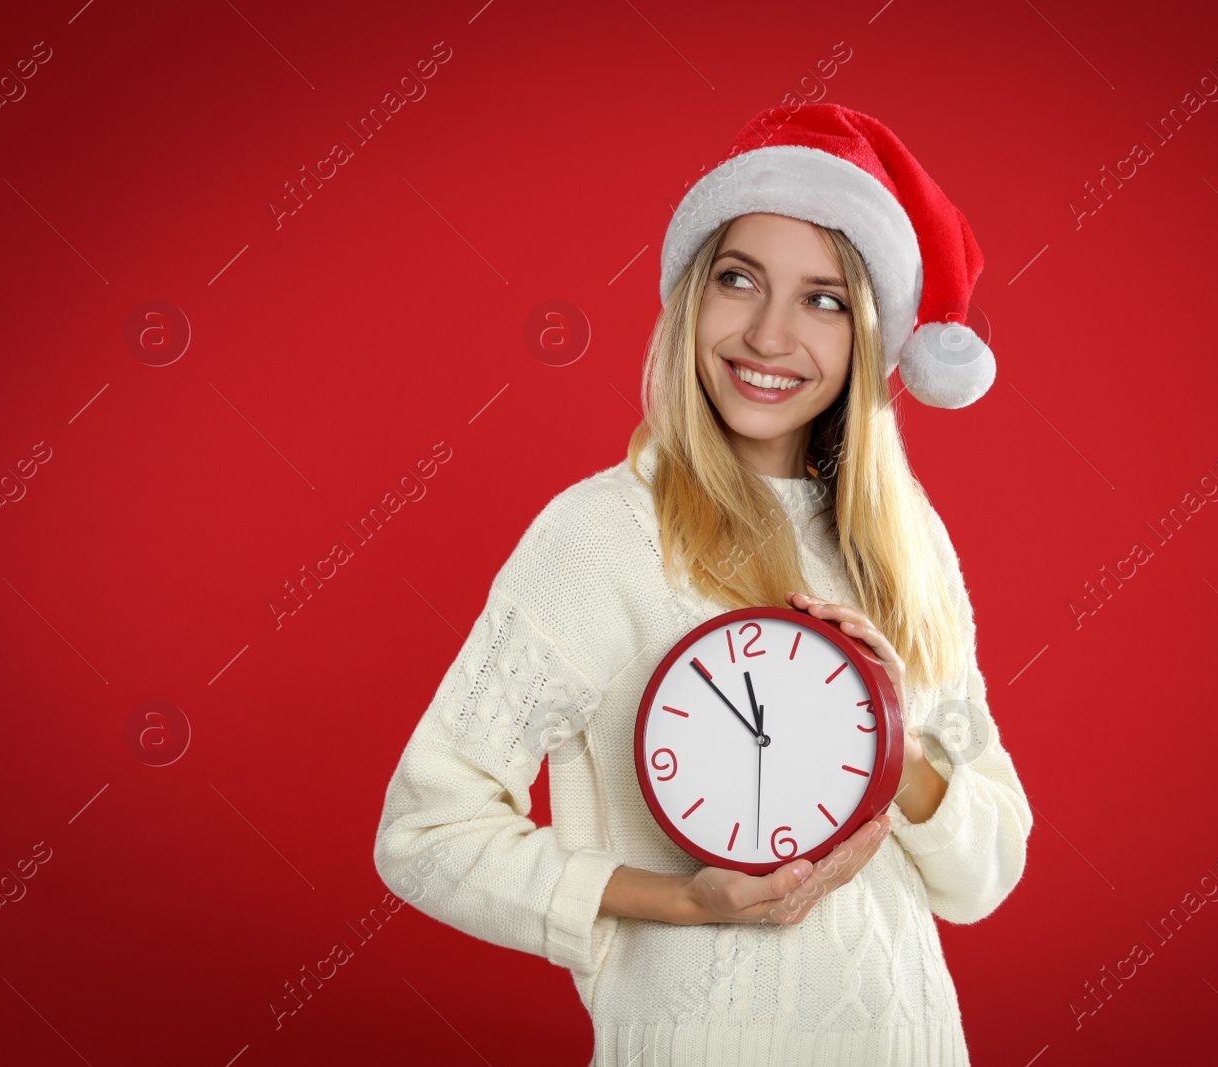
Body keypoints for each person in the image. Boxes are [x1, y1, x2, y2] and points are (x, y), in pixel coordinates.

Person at [373, 103, 1033, 1067]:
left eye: (824, 300)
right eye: (740, 280)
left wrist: (902, 747)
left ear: (869, 335)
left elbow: (985, 875)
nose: (769, 335)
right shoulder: (599, 534)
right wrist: (678, 897)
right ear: (691, 296)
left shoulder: (908, 546)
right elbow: (427, 833)